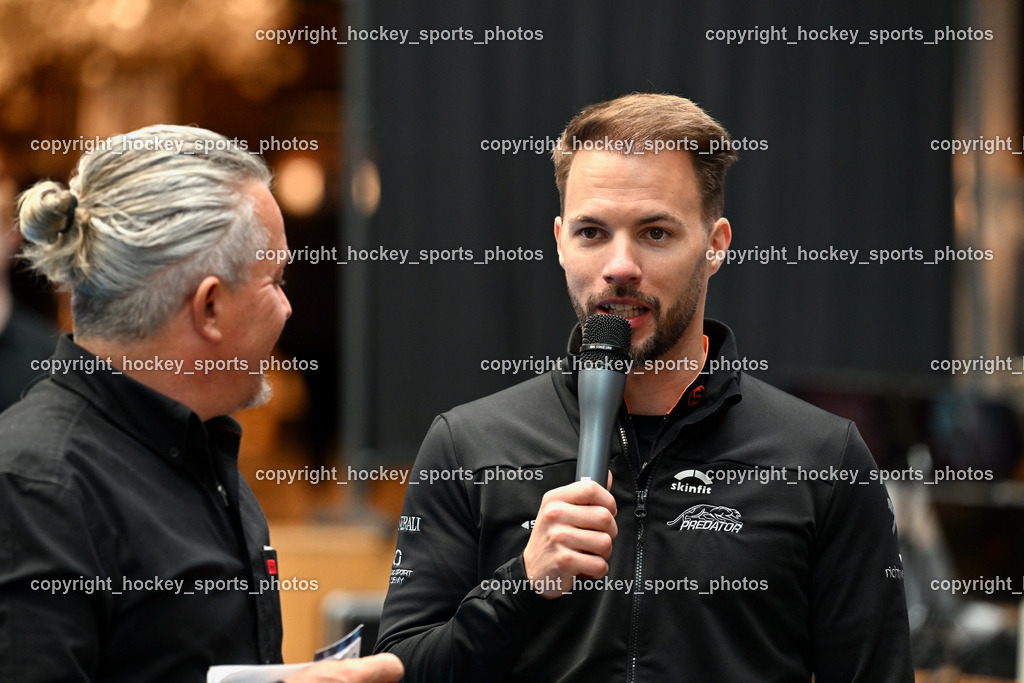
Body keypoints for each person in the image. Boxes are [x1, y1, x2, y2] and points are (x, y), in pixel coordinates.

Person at [375, 93, 914, 681]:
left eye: (655, 233)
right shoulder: (467, 446)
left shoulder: (822, 459)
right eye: (592, 232)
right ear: (559, 242)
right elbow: (399, 672)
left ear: (716, 245)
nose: (620, 265)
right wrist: (521, 587)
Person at [0, 125, 402, 683]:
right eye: (276, 282)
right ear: (209, 306)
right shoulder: (34, 487)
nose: (288, 310)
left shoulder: (198, 455)